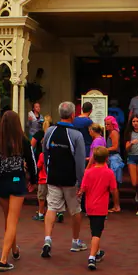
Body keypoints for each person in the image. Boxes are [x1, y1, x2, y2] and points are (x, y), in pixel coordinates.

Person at [0, 110, 37, 271]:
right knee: (13, 220)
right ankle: (3, 259)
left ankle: (14, 249)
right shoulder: (22, 140)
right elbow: (31, 161)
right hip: (17, 180)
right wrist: (33, 180)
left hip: (2, 181)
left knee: (8, 219)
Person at [40, 101, 88, 258]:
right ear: (73, 115)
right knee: (75, 210)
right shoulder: (77, 135)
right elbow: (80, 161)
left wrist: (48, 171)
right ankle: (75, 241)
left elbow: (45, 153)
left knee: (51, 208)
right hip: (70, 179)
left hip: (53, 176)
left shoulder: (50, 131)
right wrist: (81, 182)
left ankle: (47, 239)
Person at [78, 145, 120, 270]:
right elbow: (114, 190)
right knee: (97, 231)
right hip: (101, 206)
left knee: (94, 229)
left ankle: (97, 251)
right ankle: (92, 257)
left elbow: (83, 189)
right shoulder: (109, 173)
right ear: (107, 158)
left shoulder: (88, 172)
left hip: (90, 206)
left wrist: (79, 193)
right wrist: (116, 204)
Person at [32, 118, 51, 222]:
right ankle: (54, 212)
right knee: (51, 197)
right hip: (51, 178)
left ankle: (40, 213)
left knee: (41, 197)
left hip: (42, 179)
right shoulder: (53, 155)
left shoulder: (41, 155)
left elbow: (38, 167)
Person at [104, 116, 124, 184]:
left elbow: (115, 147)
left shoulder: (114, 133)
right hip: (111, 157)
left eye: (108, 124)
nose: (106, 126)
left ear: (113, 124)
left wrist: (104, 150)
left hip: (114, 158)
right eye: (105, 124)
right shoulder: (111, 132)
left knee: (114, 182)